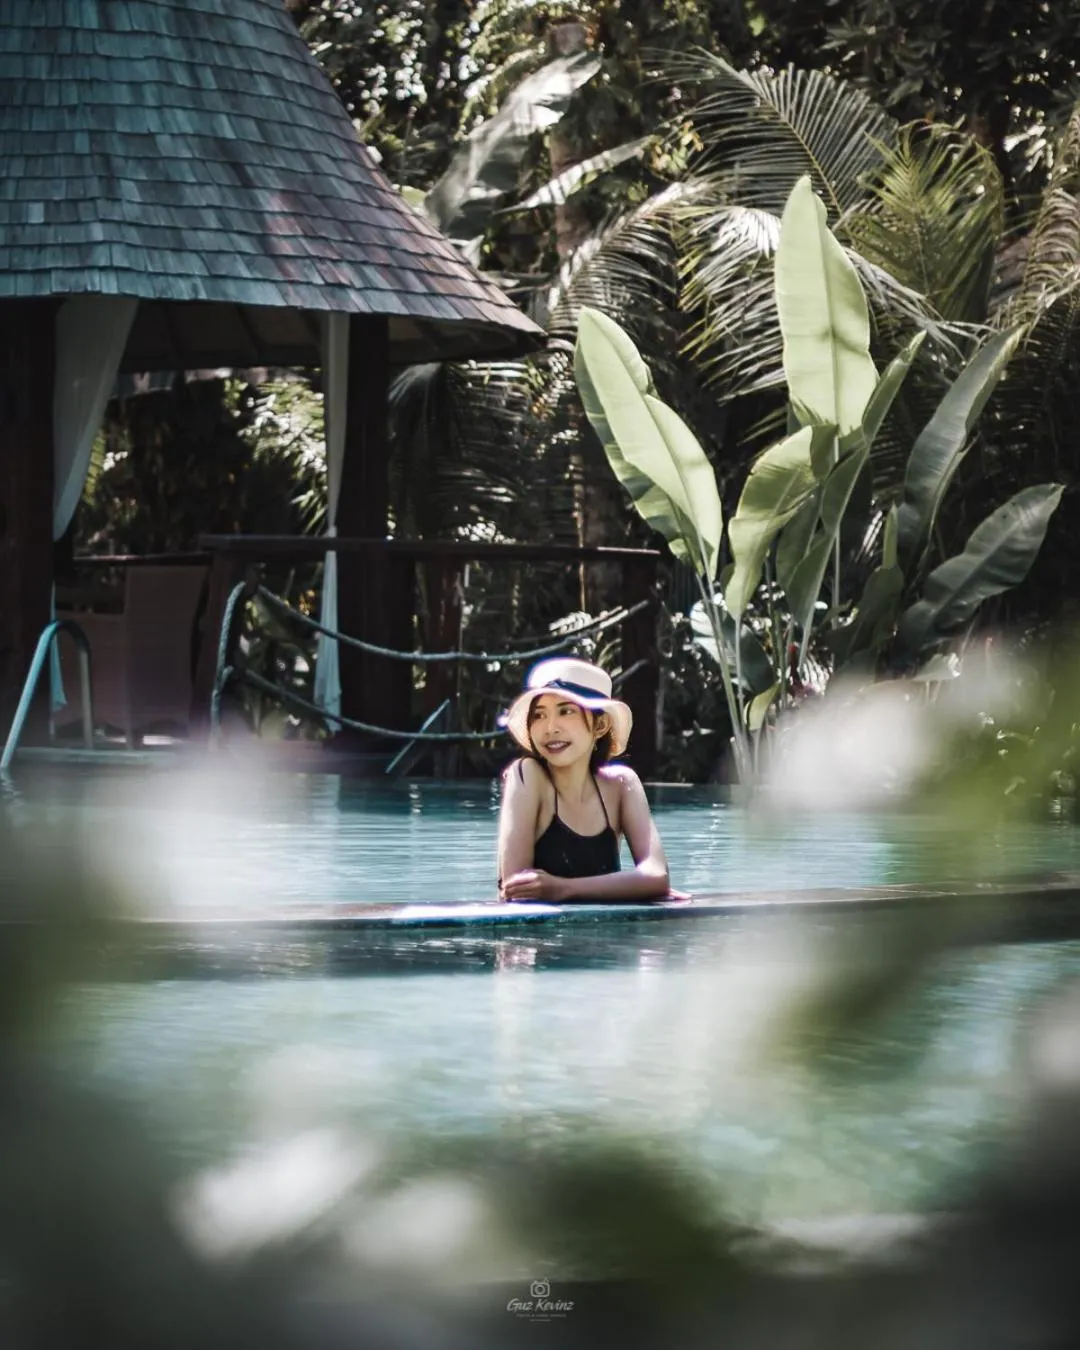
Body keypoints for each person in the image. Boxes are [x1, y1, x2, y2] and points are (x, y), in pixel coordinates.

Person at [497, 656, 673, 903]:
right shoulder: (527, 775)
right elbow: (516, 887)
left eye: (566, 711)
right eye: (538, 715)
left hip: (606, 939)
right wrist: (630, 886)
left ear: (600, 725)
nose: (550, 728)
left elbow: (656, 876)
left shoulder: (621, 785)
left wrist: (562, 888)